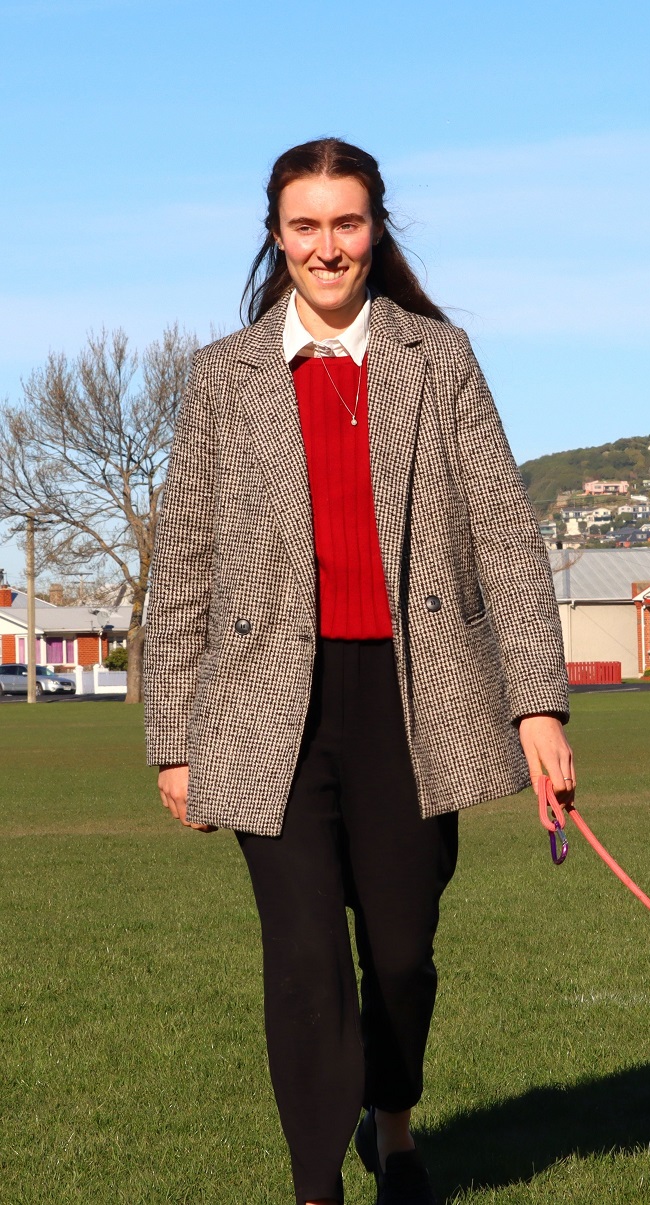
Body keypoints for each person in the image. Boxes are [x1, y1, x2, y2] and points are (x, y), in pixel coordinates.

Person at [144, 137, 575, 1205]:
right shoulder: (224, 376)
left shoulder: (440, 358)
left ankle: (394, 1131)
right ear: (276, 235)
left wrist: (536, 703)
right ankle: (313, 1188)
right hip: (263, 708)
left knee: (399, 954)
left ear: (375, 228)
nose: (326, 247)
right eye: (305, 225)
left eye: (345, 223)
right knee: (301, 959)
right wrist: (174, 738)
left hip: (412, 699)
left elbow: (503, 537)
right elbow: (185, 558)